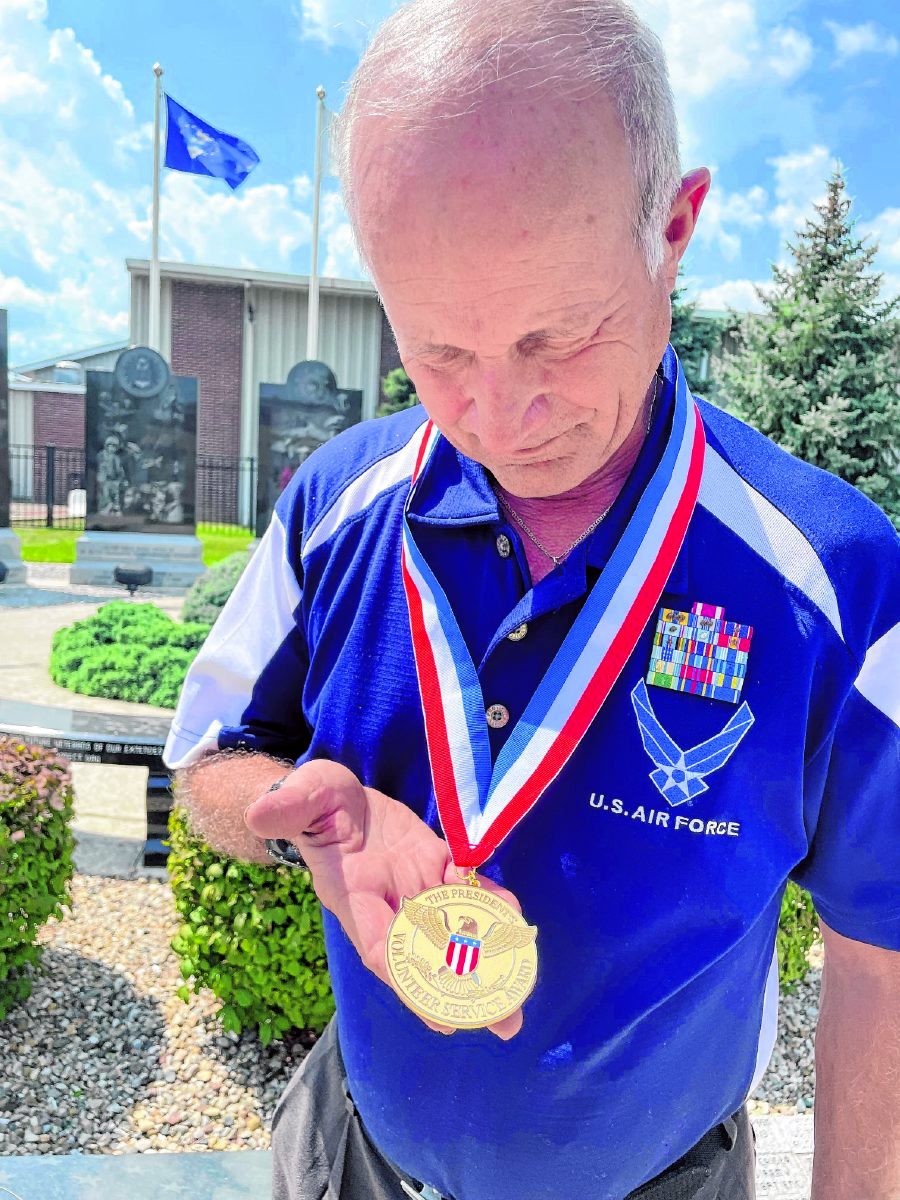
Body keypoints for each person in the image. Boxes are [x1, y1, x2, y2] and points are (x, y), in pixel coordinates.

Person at [163, 2, 900, 1198]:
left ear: (675, 229)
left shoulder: (835, 574)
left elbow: (883, 950)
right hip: (348, 1163)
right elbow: (207, 765)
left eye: (560, 336)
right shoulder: (335, 505)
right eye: (440, 353)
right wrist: (303, 820)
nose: (505, 420)